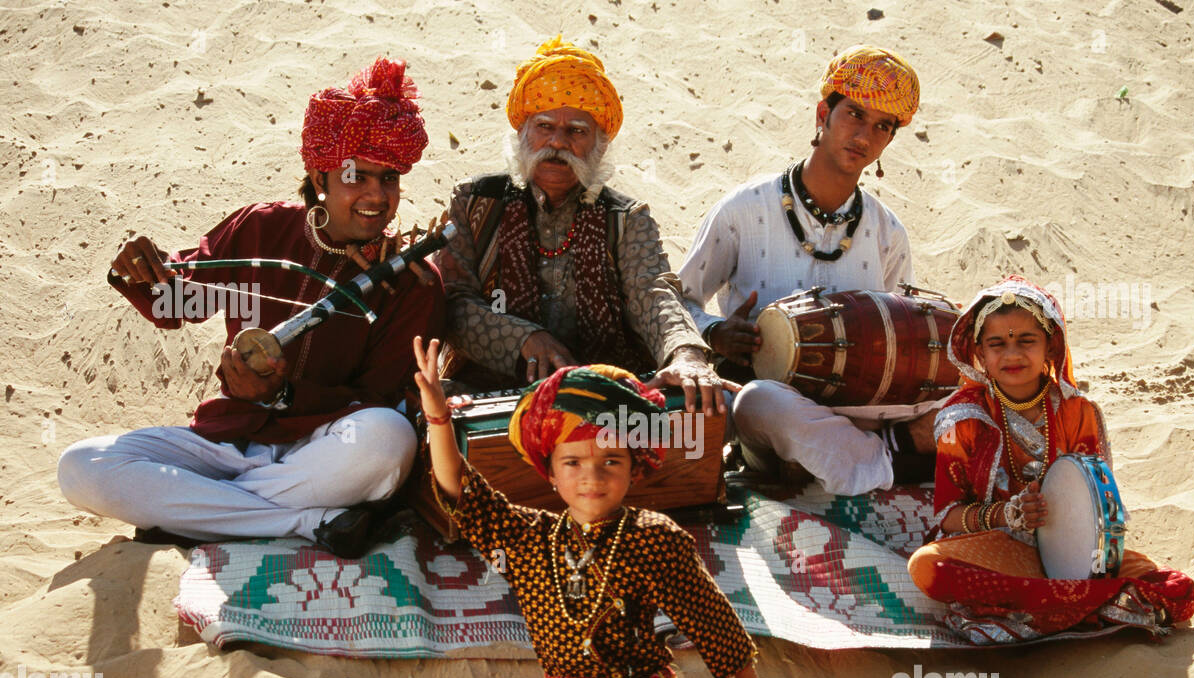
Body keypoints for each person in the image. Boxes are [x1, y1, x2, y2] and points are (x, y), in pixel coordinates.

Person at [411, 336, 794, 678]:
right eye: (572, 463)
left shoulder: (653, 537)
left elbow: (706, 612)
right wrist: (439, 420)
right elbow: (459, 490)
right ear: (549, 471)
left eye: (610, 462)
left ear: (636, 468)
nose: (591, 477)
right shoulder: (526, 540)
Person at [58, 57, 443, 558]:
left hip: (320, 452)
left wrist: (284, 396)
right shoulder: (260, 228)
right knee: (82, 467)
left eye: (389, 179)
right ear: (319, 174)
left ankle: (198, 512)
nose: (377, 196)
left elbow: (378, 402)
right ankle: (306, 523)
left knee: (388, 439)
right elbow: (177, 301)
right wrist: (140, 270)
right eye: (358, 177)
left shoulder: (412, 284)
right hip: (227, 441)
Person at [679, 45, 937, 492]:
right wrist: (716, 331)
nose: (864, 135)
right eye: (854, 114)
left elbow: (901, 332)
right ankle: (889, 460)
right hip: (775, 405)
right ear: (824, 112)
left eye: (882, 126)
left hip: (860, 410)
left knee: (967, 398)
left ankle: (846, 459)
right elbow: (679, 300)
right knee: (758, 402)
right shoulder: (744, 209)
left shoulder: (887, 231)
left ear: (890, 139)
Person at [437, 35, 730, 414]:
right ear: (522, 133)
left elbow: (653, 294)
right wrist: (525, 340)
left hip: (602, 390)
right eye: (544, 126)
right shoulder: (475, 202)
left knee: (702, 405)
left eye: (577, 130)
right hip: (492, 390)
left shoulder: (626, 218)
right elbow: (456, 304)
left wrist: (685, 353)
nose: (557, 142)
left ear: (599, 145)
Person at [907, 276, 1194, 643]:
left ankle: (1050, 604)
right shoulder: (963, 419)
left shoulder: (1077, 411)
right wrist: (1007, 514)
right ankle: (1089, 604)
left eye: (1026, 341)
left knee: (1174, 587)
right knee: (928, 567)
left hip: (1075, 554)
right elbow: (947, 516)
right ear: (979, 354)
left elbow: (1098, 502)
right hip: (1001, 547)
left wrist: (1083, 533)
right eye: (997, 344)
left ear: (1050, 347)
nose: (1012, 355)